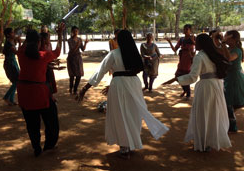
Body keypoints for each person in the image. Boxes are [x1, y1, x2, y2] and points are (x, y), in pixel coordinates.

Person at [77, 30, 169, 159]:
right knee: (133, 114)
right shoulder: (134, 54)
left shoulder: (114, 54)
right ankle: (131, 144)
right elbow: (132, 71)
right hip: (134, 84)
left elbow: (100, 71)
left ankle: (125, 148)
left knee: (120, 114)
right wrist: (117, 79)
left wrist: (84, 89)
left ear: (119, 41)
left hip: (119, 86)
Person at [163, 34, 231, 152]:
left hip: (205, 87)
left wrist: (177, 79)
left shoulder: (200, 56)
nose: (195, 43)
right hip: (216, 85)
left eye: (197, 41)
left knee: (203, 113)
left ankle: (204, 142)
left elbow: (193, 77)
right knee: (214, 113)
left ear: (201, 43)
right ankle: (211, 141)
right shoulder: (214, 54)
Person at [17, 23, 64, 157]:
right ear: (39, 42)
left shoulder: (21, 53)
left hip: (24, 92)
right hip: (40, 93)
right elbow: (58, 51)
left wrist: (30, 34)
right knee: (51, 120)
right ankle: (49, 145)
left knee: (31, 124)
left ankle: (36, 147)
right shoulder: (43, 55)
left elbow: (27, 44)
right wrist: (60, 35)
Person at [222, 30, 244, 132]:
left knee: (229, 101)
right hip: (228, 77)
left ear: (234, 39)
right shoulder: (227, 49)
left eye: (228, 37)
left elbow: (229, 58)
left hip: (234, 79)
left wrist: (222, 42)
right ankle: (231, 124)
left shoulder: (237, 50)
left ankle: (232, 126)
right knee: (228, 101)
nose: (225, 39)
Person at [166, 24, 195, 99]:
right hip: (182, 59)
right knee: (177, 76)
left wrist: (193, 42)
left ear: (190, 30)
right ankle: (185, 90)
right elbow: (175, 50)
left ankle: (188, 94)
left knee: (185, 76)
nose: (185, 31)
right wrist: (169, 42)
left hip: (189, 59)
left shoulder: (193, 38)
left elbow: (198, 47)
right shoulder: (181, 39)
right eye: (184, 29)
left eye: (186, 29)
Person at [67, 26, 88, 95]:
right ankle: (71, 87)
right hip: (71, 58)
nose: (76, 32)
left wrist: (85, 43)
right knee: (72, 75)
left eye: (77, 31)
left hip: (78, 58)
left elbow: (83, 49)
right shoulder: (69, 40)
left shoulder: (79, 39)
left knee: (79, 75)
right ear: (72, 32)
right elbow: (72, 50)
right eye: (74, 31)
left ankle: (75, 89)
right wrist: (78, 44)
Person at [2, 28, 21, 106]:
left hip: (12, 62)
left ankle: (11, 99)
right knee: (17, 81)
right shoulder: (8, 44)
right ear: (8, 35)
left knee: (15, 81)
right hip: (10, 63)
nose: (14, 34)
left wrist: (17, 41)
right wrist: (20, 43)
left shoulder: (11, 42)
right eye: (12, 32)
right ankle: (7, 97)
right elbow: (17, 52)